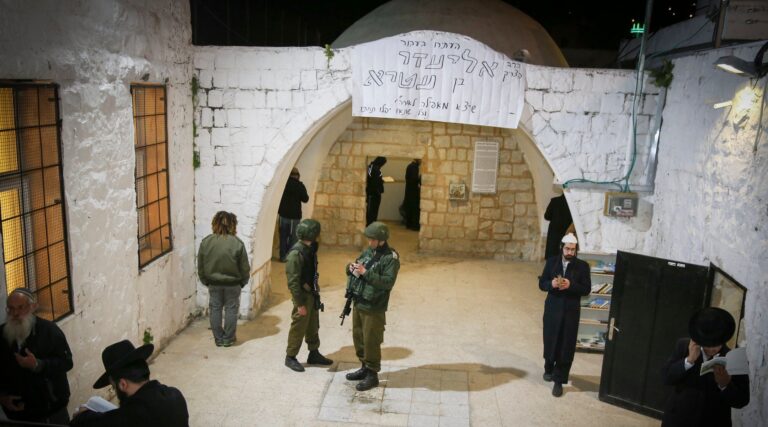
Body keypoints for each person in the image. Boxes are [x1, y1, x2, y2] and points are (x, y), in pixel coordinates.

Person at [660, 307, 749, 426]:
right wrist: (689, 361)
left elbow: (741, 400)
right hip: (678, 419)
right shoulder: (683, 346)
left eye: (716, 344)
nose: (712, 348)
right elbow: (666, 377)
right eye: (707, 344)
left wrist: (726, 384)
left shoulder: (734, 358)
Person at [70, 339, 189, 427]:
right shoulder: (176, 395)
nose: (115, 391)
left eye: (113, 387)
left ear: (122, 384)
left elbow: (88, 422)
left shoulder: (133, 415)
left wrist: (82, 415)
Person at [0, 288, 73, 423]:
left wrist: (38, 364)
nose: (15, 313)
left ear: (33, 307)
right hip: (17, 415)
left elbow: (66, 362)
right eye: (11, 308)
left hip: (50, 412)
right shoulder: (2, 335)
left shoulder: (50, 331)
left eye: (20, 307)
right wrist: (2, 397)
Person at [344, 221, 400, 391]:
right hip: (359, 301)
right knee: (359, 337)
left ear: (381, 239)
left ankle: (372, 374)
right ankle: (364, 367)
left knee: (371, 340)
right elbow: (359, 264)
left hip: (374, 307)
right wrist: (350, 268)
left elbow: (387, 282)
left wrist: (366, 273)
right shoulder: (369, 251)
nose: (369, 243)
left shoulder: (390, 258)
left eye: (373, 240)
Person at [538, 233, 591, 397]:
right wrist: (551, 284)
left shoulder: (582, 266)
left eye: (573, 250)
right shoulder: (552, 262)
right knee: (550, 338)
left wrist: (571, 285)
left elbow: (586, 289)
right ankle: (548, 365)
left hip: (570, 312)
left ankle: (559, 380)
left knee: (566, 345)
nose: (570, 252)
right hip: (553, 309)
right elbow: (542, 283)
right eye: (567, 249)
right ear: (562, 248)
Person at [284, 219, 334, 372]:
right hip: (302, 296)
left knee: (313, 324)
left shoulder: (309, 249)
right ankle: (290, 356)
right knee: (299, 326)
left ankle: (313, 352)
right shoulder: (296, 254)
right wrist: (299, 304)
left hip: (311, 293)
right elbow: (293, 282)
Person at [198, 211, 251, 347]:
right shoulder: (237, 244)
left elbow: (201, 266)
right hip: (233, 284)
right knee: (231, 310)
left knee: (215, 309)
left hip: (214, 283)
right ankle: (228, 338)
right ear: (233, 225)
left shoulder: (206, 242)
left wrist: (206, 281)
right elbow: (244, 267)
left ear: (214, 223)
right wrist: (242, 282)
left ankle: (218, 338)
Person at [278, 167, 309, 262]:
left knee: (283, 237)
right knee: (293, 238)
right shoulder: (300, 186)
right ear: (297, 176)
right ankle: (291, 257)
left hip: (283, 215)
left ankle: (282, 257)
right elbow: (305, 199)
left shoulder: (283, 184)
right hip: (294, 217)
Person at [543, 192, 573, 259]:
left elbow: (546, 216)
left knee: (552, 251)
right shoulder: (572, 203)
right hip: (566, 230)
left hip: (554, 230)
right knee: (563, 252)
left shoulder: (554, 201)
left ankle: (551, 266)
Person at [366, 156, 387, 226]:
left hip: (371, 192)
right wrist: (381, 183)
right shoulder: (376, 169)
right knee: (373, 210)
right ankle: (371, 224)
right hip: (374, 193)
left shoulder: (370, 167)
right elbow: (375, 181)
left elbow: (371, 178)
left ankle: (370, 223)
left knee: (371, 210)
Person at [402, 159, 421, 230]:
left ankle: (409, 224)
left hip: (409, 190)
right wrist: (419, 178)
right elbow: (414, 179)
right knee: (414, 208)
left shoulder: (410, 166)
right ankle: (414, 226)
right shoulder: (414, 167)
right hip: (413, 191)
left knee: (409, 208)